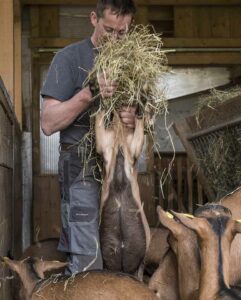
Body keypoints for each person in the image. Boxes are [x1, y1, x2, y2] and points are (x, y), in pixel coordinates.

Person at [40, 0, 137, 274]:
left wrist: (134, 119)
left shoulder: (133, 62)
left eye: (122, 32)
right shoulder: (69, 59)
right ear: (94, 19)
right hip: (82, 167)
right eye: (109, 30)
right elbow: (48, 123)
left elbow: (144, 120)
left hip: (120, 170)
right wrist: (89, 92)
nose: (115, 39)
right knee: (88, 261)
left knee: (123, 255)